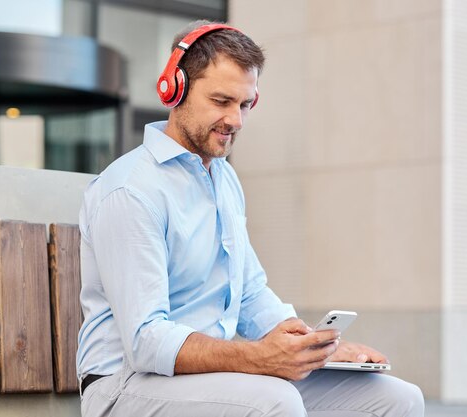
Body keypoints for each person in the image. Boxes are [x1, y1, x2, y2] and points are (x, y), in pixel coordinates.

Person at [76, 20, 425, 417]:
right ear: (175, 90)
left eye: (245, 104)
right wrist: (260, 358)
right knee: (276, 402)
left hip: (212, 379)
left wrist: (308, 349)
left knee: (396, 399)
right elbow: (146, 342)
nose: (236, 121)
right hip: (126, 387)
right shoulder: (130, 190)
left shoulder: (222, 177)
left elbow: (250, 293)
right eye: (222, 101)